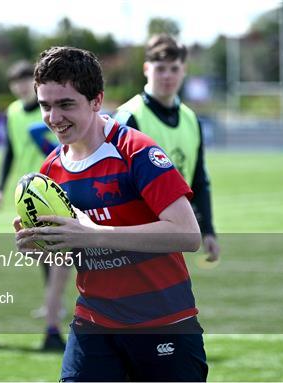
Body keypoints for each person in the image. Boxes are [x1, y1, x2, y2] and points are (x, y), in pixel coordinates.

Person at [15, 47, 208, 381]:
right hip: (95, 323)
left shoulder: (136, 151)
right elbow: (72, 251)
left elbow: (189, 234)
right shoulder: (51, 170)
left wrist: (93, 233)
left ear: (96, 100)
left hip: (163, 324)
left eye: (65, 104)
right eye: (45, 105)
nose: (53, 117)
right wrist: (43, 244)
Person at [114, 34, 220, 264]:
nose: (167, 75)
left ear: (184, 70)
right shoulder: (128, 117)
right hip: (133, 239)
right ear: (146, 68)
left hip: (173, 235)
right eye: (160, 68)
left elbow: (199, 179)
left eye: (174, 68)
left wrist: (208, 229)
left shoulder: (192, 119)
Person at [0, 61, 64, 327]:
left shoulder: (50, 110)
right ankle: (53, 302)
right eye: (15, 82)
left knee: (65, 245)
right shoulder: (12, 112)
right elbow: (9, 151)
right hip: (27, 192)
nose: (20, 87)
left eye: (24, 81)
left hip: (53, 185)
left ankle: (57, 303)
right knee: (41, 246)